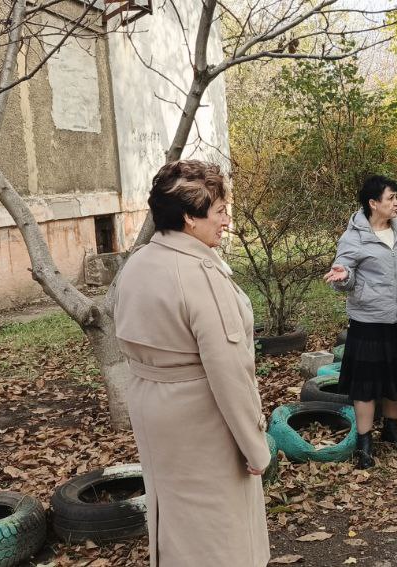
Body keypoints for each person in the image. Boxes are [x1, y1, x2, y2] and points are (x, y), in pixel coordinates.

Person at [113, 160, 272, 566]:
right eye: (219, 211)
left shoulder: (138, 263)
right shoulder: (199, 274)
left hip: (153, 411)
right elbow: (230, 371)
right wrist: (256, 449)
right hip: (204, 423)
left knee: (174, 524)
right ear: (189, 217)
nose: (226, 221)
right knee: (219, 533)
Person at [323, 175, 397, 469]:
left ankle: (391, 430)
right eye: (390, 198)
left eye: (395, 197)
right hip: (369, 323)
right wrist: (344, 277)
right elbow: (343, 274)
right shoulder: (353, 237)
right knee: (366, 386)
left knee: (395, 379)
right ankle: (364, 442)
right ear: (373, 203)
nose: (396, 203)